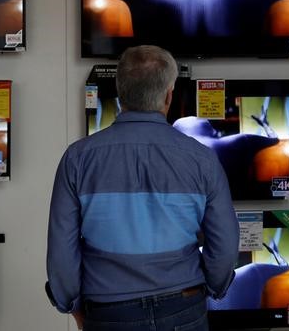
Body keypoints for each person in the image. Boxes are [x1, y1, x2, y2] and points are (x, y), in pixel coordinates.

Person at [46, 45, 239, 330]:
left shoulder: (77, 158)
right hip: (184, 306)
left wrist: (71, 304)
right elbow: (224, 244)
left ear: (119, 90)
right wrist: (212, 289)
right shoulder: (202, 159)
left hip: (107, 312)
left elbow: (62, 248)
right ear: (169, 95)